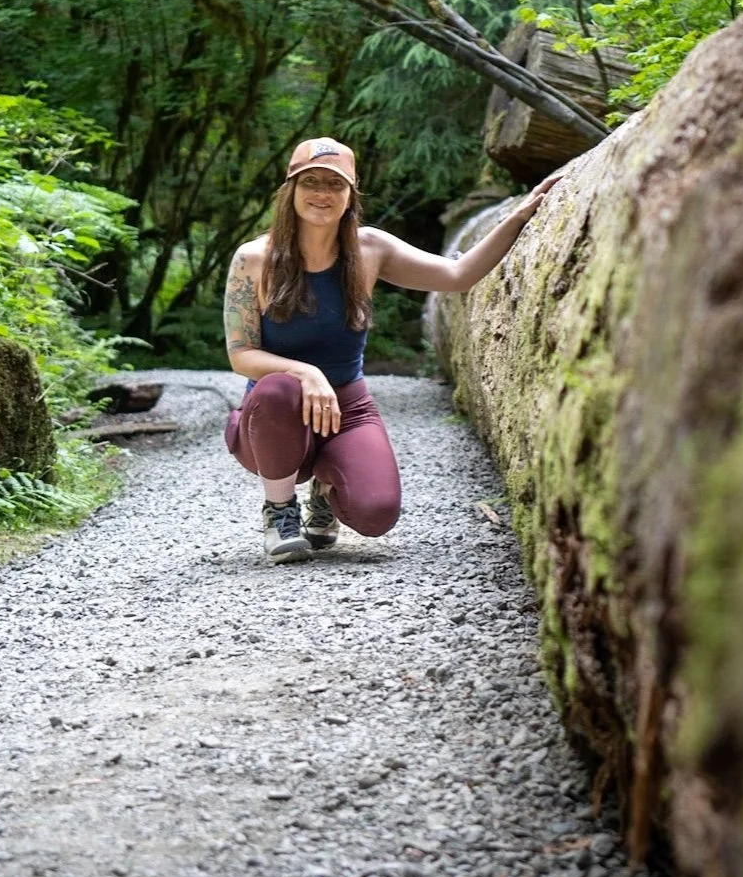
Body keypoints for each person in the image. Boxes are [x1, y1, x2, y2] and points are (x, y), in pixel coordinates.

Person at [223, 137, 559, 563]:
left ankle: (326, 492)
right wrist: (307, 373)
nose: (322, 194)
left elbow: (457, 275)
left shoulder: (371, 250)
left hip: (347, 408)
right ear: (291, 190)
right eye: (311, 182)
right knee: (278, 389)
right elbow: (241, 354)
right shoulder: (253, 258)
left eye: (335, 184)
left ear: (350, 195)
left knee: (376, 513)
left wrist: (520, 215)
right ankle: (280, 511)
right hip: (275, 415)